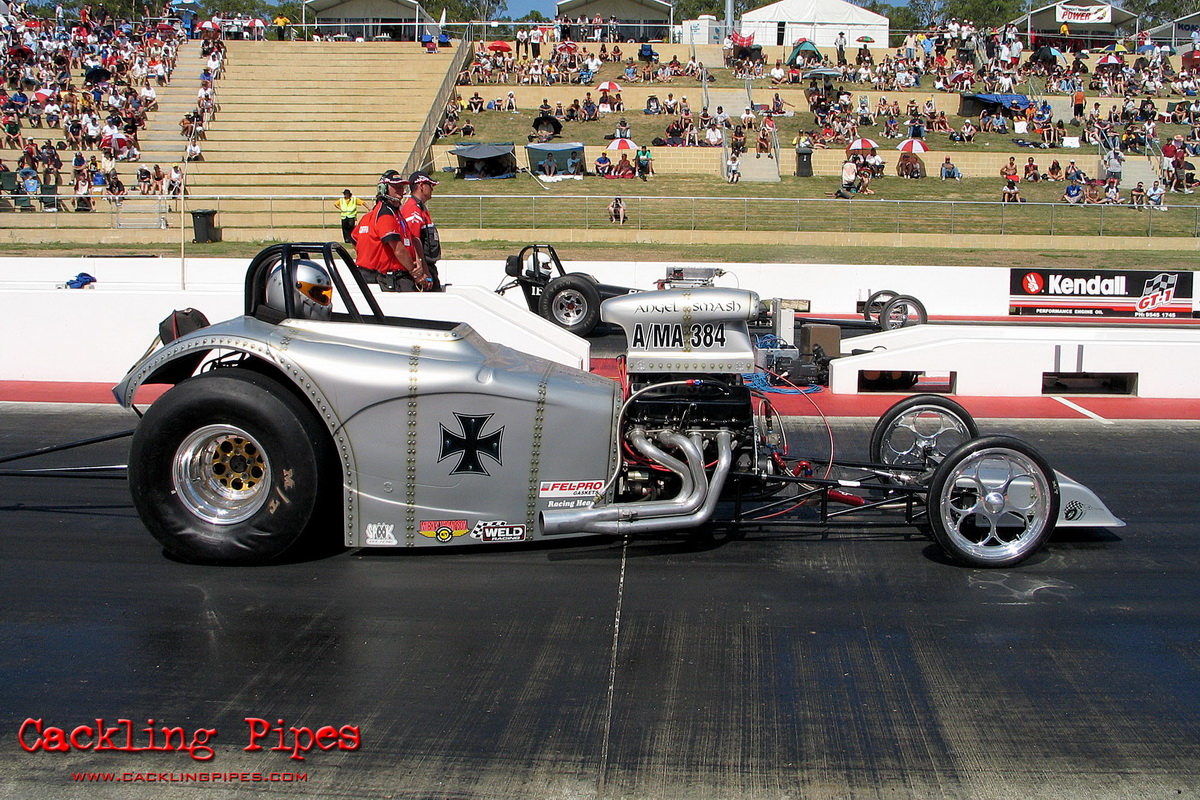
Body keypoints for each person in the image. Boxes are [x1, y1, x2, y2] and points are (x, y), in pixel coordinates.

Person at [352, 170, 425, 292]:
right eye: (397, 187)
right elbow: (399, 250)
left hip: (392, 274)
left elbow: (355, 239)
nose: (402, 191)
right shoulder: (385, 214)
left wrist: (417, 260)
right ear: (384, 189)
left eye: (402, 187)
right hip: (394, 278)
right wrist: (414, 272)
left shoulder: (393, 213)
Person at [402, 171, 443, 292]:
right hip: (424, 270)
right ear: (421, 186)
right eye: (430, 185)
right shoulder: (412, 210)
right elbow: (413, 242)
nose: (432, 189)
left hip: (428, 267)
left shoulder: (420, 209)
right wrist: (424, 271)